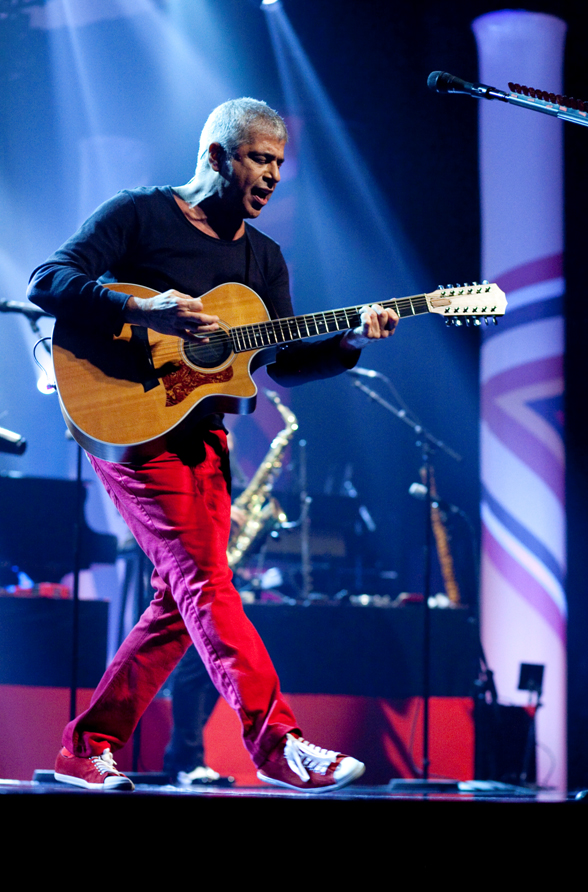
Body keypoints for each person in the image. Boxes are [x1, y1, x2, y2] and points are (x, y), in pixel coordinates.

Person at [28, 98, 398, 793]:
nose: (274, 175)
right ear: (217, 156)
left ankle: (86, 747)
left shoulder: (264, 257)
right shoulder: (139, 214)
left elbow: (282, 362)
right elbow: (47, 281)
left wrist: (348, 341)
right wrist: (142, 307)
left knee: (183, 600)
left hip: (202, 436)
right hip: (131, 426)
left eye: (280, 163)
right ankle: (279, 744)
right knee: (203, 582)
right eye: (261, 158)